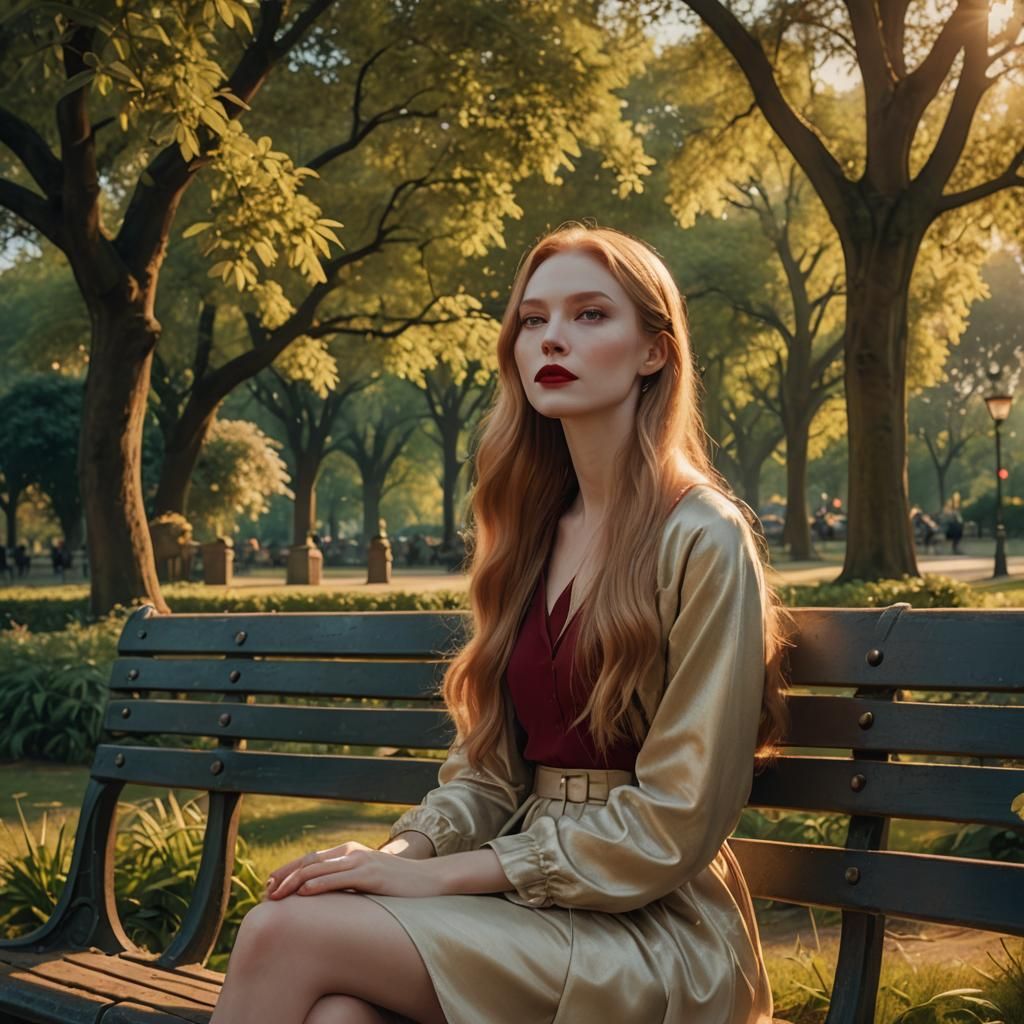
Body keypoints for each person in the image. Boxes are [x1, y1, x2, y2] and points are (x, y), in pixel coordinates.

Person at [210, 223, 792, 1024]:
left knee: (282, 933)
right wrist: (396, 856)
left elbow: (676, 819)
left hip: (655, 927)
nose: (553, 337)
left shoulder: (704, 534)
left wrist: (442, 877)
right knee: (340, 1017)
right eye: (533, 318)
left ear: (655, 351)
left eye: (591, 315)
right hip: (526, 906)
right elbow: (487, 774)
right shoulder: (528, 531)